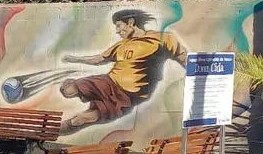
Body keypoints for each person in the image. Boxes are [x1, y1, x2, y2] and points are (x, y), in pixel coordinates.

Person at [58, 9, 187, 133]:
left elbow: (183, 57)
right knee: (69, 89)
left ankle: (52, 131)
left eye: (119, 26)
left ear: (131, 22)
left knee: (80, 120)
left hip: (129, 96)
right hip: (108, 82)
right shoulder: (121, 45)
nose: (117, 31)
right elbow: (99, 59)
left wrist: (196, 76)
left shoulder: (163, 39)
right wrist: (75, 59)